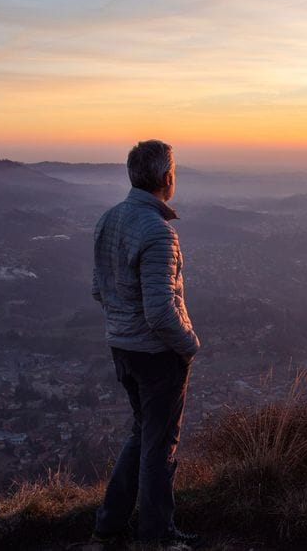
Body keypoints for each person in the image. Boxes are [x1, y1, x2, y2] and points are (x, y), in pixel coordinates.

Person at [90, 140, 201, 548]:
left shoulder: (108, 220)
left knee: (142, 434)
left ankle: (110, 522)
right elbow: (159, 311)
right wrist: (189, 345)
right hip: (158, 355)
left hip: (122, 349)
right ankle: (157, 536)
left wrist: (122, 326)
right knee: (159, 447)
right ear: (167, 178)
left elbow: (99, 290)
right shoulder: (159, 233)